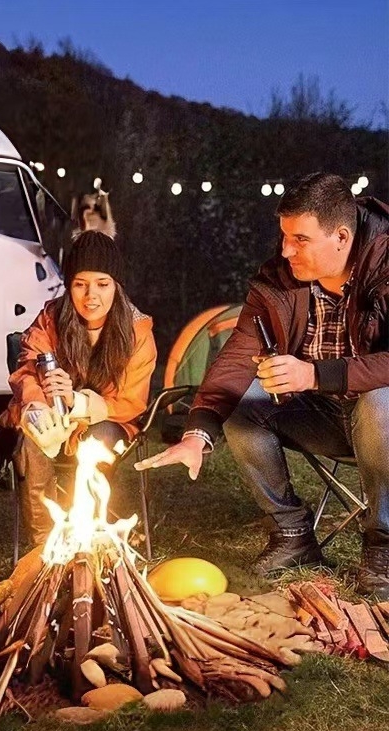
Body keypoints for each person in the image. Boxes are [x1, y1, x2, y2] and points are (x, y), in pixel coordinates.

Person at [135, 172, 389, 600]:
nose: (286, 249)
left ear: (341, 237)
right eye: (284, 236)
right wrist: (198, 432)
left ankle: (384, 547)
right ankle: (292, 535)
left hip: (382, 420)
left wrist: (314, 374)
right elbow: (236, 356)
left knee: (380, 399)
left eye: (300, 239)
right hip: (323, 416)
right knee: (243, 401)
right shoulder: (279, 279)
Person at [0, 230, 157, 545]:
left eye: (102, 284)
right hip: (55, 417)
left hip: (109, 421)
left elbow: (130, 402)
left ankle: (90, 530)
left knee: (100, 437)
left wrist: (76, 401)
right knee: (31, 438)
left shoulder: (137, 332)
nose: (91, 296)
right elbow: (28, 368)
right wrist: (40, 409)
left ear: (117, 286)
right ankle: (46, 543)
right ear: (69, 286)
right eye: (80, 284)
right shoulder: (51, 319)